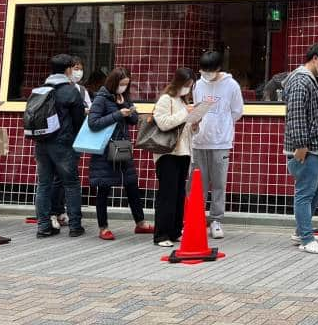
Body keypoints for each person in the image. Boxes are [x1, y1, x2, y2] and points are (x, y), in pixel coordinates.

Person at [282, 43, 318, 254]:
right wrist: (301, 146)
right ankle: (306, 238)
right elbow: (295, 117)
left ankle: (301, 231)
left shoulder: (316, 79)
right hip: (308, 149)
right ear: (315, 58)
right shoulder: (300, 81)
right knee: (305, 192)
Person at [87, 68, 153, 240]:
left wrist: (130, 112)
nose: (124, 87)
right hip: (105, 149)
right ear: (113, 83)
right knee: (104, 187)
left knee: (131, 184)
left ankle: (140, 223)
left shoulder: (124, 98)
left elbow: (132, 120)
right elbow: (93, 123)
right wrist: (117, 114)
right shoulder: (101, 98)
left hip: (122, 146)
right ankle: (103, 227)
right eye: (121, 84)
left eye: (126, 84)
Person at [190, 49, 244, 240]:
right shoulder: (198, 84)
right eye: (203, 70)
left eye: (209, 71)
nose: (206, 74)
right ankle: (196, 219)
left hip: (221, 142)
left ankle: (216, 220)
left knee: (219, 182)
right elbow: (196, 108)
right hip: (199, 142)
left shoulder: (231, 85)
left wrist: (222, 126)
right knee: (198, 184)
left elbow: (237, 111)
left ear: (218, 68)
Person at [34, 54, 87, 238]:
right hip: (63, 143)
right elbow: (79, 120)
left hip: (41, 143)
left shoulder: (41, 89)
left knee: (44, 184)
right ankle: (75, 226)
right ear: (68, 70)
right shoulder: (71, 91)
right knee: (71, 183)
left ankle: (43, 226)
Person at [151, 66, 194, 247]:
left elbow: (185, 128)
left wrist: (195, 122)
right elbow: (163, 123)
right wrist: (186, 113)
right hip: (167, 153)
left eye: (191, 85)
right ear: (179, 83)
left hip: (183, 152)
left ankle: (175, 231)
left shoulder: (183, 102)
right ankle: (161, 234)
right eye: (187, 84)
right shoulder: (165, 100)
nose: (189, 88)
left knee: (178, 194)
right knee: (167, 195)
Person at [49, 55, 90, 230]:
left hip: (67, 139)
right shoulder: (64, 89)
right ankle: (63, 217)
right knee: (64, 180)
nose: (78, 72)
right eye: (75, 68)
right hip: (64, 139)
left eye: (80, 68)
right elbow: (78, 116)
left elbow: (89, 106)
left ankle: (56, 214)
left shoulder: (80, 90)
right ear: (67, 69)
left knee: (58, 179)